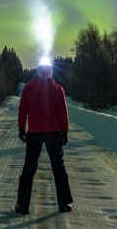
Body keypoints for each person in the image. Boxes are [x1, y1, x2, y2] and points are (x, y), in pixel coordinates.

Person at [15, 62, 73, 214]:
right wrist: (65, 131)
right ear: (51, 73)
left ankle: (22, 205)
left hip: (34, 132)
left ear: (38, 73)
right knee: (58, 168)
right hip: (53, 132)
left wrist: (22, 128)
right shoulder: (57, 89)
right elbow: (62, 111)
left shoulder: (29, 88)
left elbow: (23, 110)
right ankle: (64, 203)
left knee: (29, 167)